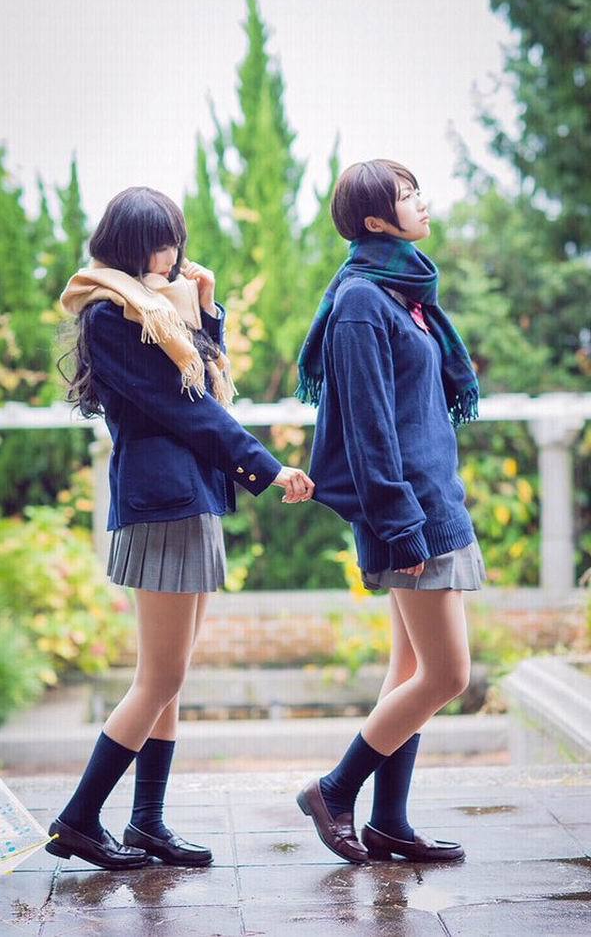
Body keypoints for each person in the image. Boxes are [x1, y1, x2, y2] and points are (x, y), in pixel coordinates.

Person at [48, 186, 314, 870]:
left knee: (170, 678)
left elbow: (207, 380)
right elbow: (190, 409)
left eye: (175, 242)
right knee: (159, 678)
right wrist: (267, 468)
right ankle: (78, 819)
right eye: (159, 243)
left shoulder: (157, 310)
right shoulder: (113, 315)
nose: (171, 255)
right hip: (163, 503)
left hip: (187, 500)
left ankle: (147, 823)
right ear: (129, 246)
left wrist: (209, 312)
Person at [294, 159, 486, 864]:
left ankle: (390, 823)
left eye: (416, 191)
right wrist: (400, 527)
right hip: (408, 514)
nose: (421, 203)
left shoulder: (405, 293)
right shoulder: (360, 304)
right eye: (407, 196)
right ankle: (334, 791)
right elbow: (369, 430)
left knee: (409, 671)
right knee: (447, 676)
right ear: (375, 220)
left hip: (435, 499)